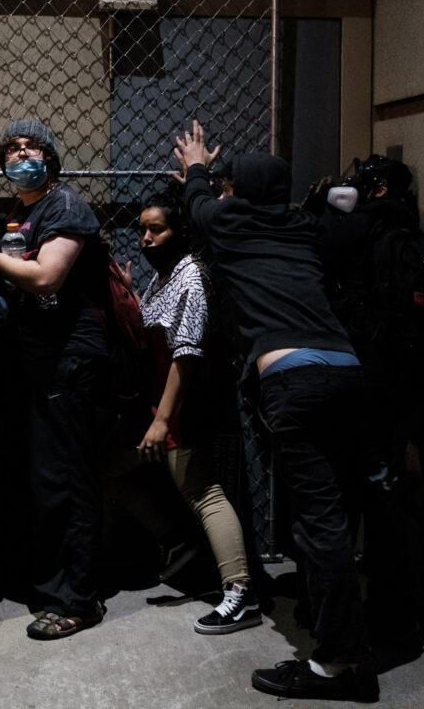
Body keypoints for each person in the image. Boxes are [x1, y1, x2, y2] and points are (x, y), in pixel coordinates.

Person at [174, 121, 378, 702]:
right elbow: (352, 228)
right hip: (345, 371)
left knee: (319, 526)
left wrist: (196, 164)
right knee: (333, 517)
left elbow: (196, 200)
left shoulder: (229, 222)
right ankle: (343, 636)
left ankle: (336, 666)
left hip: (294, 380)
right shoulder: (305, 228)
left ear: (234, 192)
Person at [313, 155, 424, 659]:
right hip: (413, 392)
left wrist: (327, 207)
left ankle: (351, 620)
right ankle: (399, 616)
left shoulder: (360, 230)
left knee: (347, 497)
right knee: (392, 499)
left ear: (373, 191)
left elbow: (317, 250)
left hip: (363, 383)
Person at [0, 118, 111, 640]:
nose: (20, 157)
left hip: (71, 358)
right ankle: (42, 577)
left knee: (68, 478)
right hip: (34, 358)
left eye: (31, 149)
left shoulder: (65, 206)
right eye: (11, 149)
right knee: (29, 475)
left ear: (50, 159)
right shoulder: (17, 212)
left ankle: (80, 600)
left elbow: (47, 276)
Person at [135, 189, 260, 635]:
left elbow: (185, 356)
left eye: (157, 228)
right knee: (123, 473)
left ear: (180, 231)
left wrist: (164, 419)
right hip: (161, 404)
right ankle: (184, 550)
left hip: (184, 406)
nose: (147, 238)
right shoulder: (162, 277)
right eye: (143, 229)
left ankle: (239, 591)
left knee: (203, 492)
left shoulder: (190, 276)